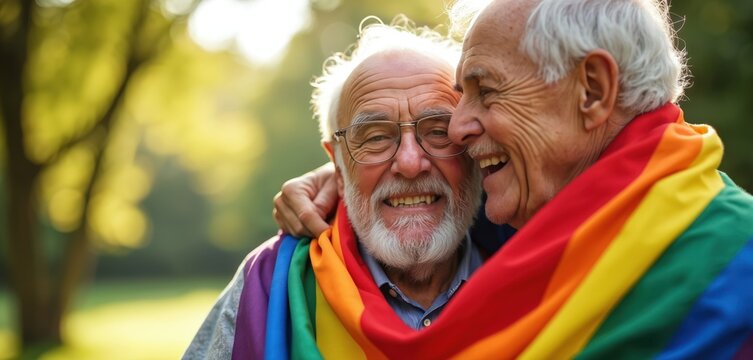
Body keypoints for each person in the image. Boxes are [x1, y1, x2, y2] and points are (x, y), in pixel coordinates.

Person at [274, 0, 753, 358]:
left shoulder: (733, 259)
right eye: (374, 137)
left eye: (486, 91)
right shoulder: (285, 283)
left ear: (592, 90)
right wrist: (351, 169)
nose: (459, 129)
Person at [184, 17, 486, 359]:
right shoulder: (273, 286)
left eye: (438, 131)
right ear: (338, 166)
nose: (410, 163)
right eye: (375, 137)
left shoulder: (537, 274)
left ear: (475, 144)